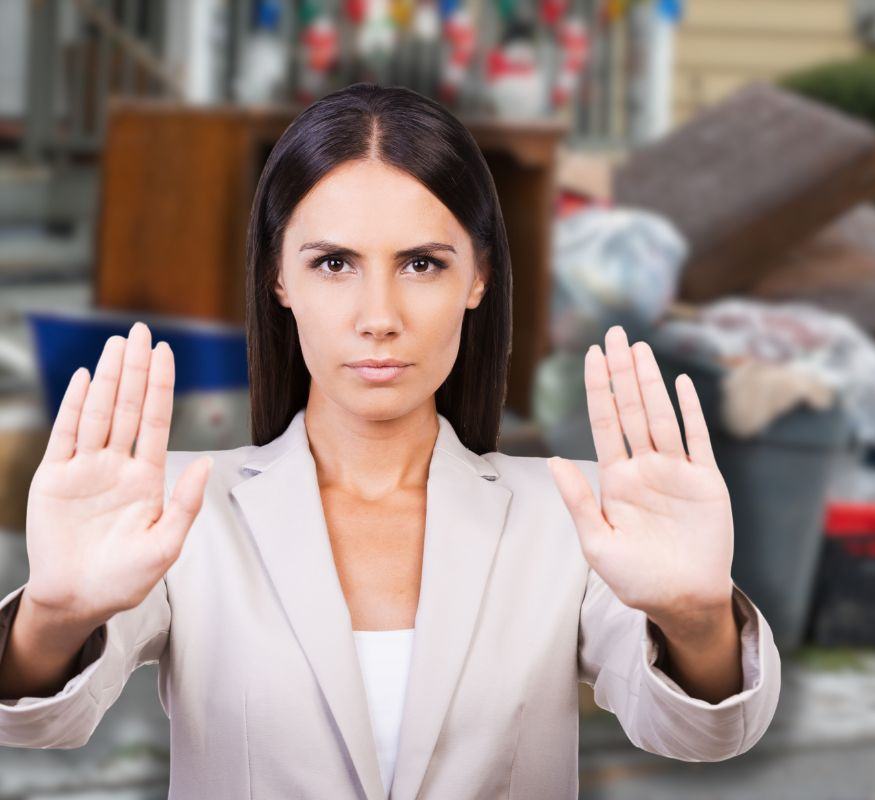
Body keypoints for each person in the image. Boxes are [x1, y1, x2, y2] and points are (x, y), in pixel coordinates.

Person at [0, 83, 781, 799]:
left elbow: (699, 731)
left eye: (421, 263)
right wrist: (53, 615)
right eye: (334, 263)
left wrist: (698, 619)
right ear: (279, 278)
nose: (379, 314)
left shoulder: (575, 514)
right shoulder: (179, 508)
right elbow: (37, 723)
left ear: (477, 279)